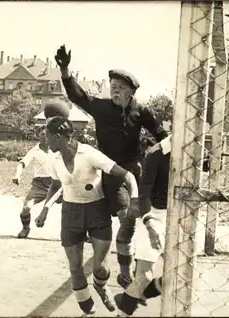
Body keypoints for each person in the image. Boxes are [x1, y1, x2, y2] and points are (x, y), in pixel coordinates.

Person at [54, 45, 169, 288]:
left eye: (120, 88)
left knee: (143, 218)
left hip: (135, 171)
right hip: (111, 171)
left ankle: (136, 263)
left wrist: (169, 147)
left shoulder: (141, 110)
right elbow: (77, 96)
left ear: (131, 92)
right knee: (127, 218)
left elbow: (159, 132)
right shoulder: (102, 107)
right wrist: (65, 70)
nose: (115, 91)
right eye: (113, 87)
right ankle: (125, 272)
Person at [35, 116, 140, 316]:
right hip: (70, 214)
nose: (45, 140)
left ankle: (101, 286)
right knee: (75, 267)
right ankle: (89, 310)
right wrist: (45, 209)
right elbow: (56, 186)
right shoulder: (53, 159)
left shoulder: (89, 154)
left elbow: (128, 175)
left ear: (58, 136)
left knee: (100, 268)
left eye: (47, 136)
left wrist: (134, 198)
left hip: (96, 212)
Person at [114, 135, 172, 316]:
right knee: (144, 277)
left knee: (179, 277)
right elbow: (144, 194)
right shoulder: (155, 154)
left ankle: (130, 298)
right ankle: (125, 309)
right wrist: (150, 223)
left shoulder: (196, 150)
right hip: (155, 214)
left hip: (181, 216)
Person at [12, 125, 62, 239]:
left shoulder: (57, 149)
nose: (45, 137)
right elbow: (23, 163)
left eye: (47, 135)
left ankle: (82, 233)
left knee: (76, 205)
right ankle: (25, 228)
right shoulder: (34, 151)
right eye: (42, 135)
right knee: (26, 208)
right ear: (38, 136)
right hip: (39, 184)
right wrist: (17, 175)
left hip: (57, 183)